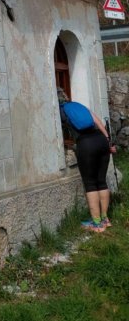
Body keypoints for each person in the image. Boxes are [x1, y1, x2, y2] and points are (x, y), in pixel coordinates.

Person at [57, 89, 117, 232]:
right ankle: (105, 219)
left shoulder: (60, 111)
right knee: (101, 181)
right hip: (101, 140)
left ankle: (96, 224)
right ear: (65, 96)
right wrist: (108, 141)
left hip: (86, 143)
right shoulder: (78, 105)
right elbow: (98, 121)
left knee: (90, 184)